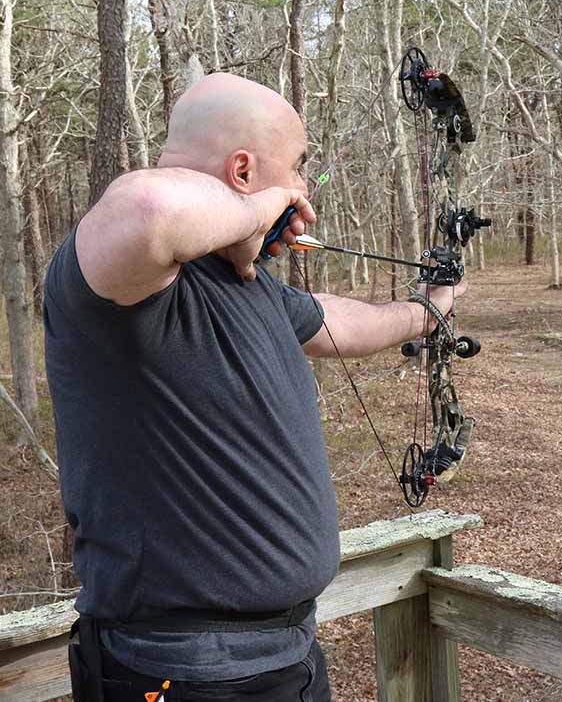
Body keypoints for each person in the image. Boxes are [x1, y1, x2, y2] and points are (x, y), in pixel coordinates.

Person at [44, 72, 464, 701]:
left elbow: (330, 323)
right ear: (243, 172)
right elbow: (149, 210)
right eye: (297, 169)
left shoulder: (246, 283)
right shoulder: (125, 283)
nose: (303, 191)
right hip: (180, 670)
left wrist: (426, 312)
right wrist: (253, 211)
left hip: (284, 654)